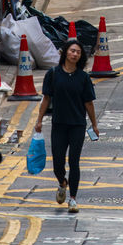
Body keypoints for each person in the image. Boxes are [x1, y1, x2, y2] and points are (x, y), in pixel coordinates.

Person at [35, 39, 99, 214]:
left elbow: (89, 103)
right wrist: (39, 120)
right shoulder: (53, 74)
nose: (75, 54)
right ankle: (62, 183)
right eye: (72, 51)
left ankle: (73, 199)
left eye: (78, 52)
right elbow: (46, 98)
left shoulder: (84, 78)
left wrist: (94, 124)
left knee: (74, 162)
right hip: (59, 124)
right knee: (57, 163)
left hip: (77, 125)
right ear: (65, 53)